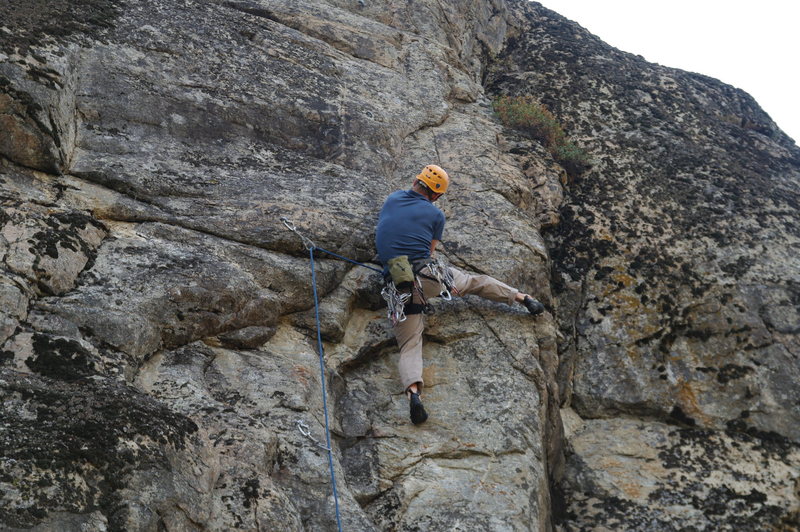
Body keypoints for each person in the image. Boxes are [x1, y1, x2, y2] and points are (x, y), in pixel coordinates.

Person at [375, 164, 545, 425]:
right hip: (429, 278)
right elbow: (429, 254)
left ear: (416, 181)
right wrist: (446, 283)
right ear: (436, 195)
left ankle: (413, 394)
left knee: (410, 344)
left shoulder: (392, 199)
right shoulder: (435, 215)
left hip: (399, 287)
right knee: (475, 282)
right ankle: (522, 298)